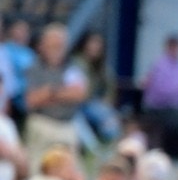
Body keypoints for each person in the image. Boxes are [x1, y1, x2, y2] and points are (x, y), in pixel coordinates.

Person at [22, 22, 87, 162]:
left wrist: (50, 92)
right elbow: (31, 100)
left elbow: (79, 94)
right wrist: (63, 92)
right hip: (42, 122)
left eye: (59, 45)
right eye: (52, 45)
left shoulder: (73, 66)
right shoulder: (34, 67)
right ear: (43, 45)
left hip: (67, 124)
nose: (56, 49)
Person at [141, 34, 178, 159]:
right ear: (168, 47)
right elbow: (163, 91)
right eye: (175, 47)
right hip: (159, 107)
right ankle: (177, 152)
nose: (177, 50)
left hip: (175, 106)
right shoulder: (160, 65)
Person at [70, 30, 120, 146]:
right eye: (92, 42)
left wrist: (107, 99)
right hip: (78, 104)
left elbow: (110, 86)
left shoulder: (102, 66)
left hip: (94, 104)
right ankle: (94, 148)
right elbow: (83, 91)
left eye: (98, 43)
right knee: (99, 114)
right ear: (85, 44)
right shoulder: (77, 62)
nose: (95, 47)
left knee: (108, 114)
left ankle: (108, 146)